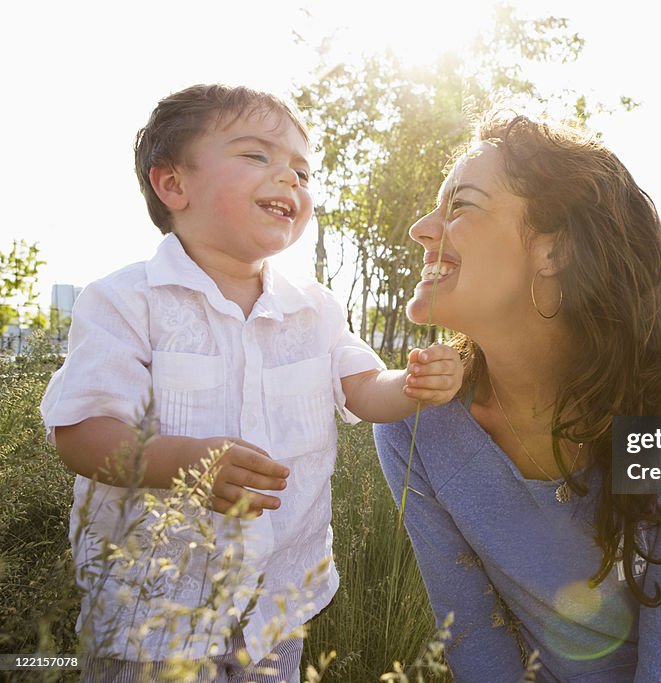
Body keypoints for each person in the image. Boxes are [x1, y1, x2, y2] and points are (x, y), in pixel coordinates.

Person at [40, 84, 463, 682]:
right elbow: (81, 434)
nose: (290, 179)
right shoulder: (125, 301)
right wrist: (185, 461)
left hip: (277, 605)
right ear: (173, 186)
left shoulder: (315, 308)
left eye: (302, 169)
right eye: (258, 156)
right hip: (153, 613)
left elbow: (364, 388)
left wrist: (415, 382)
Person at [374, 112, 661, 682]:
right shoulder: (414, 424)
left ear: (553, 251)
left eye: (460, 206)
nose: (422, 228)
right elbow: (473, 640)